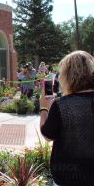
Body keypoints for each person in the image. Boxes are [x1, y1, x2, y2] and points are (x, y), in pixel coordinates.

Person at [40, 50, 94, 185]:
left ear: (66, 75)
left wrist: (43, 108)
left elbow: (48, 135)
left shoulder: (61, 105)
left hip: (67, 177)